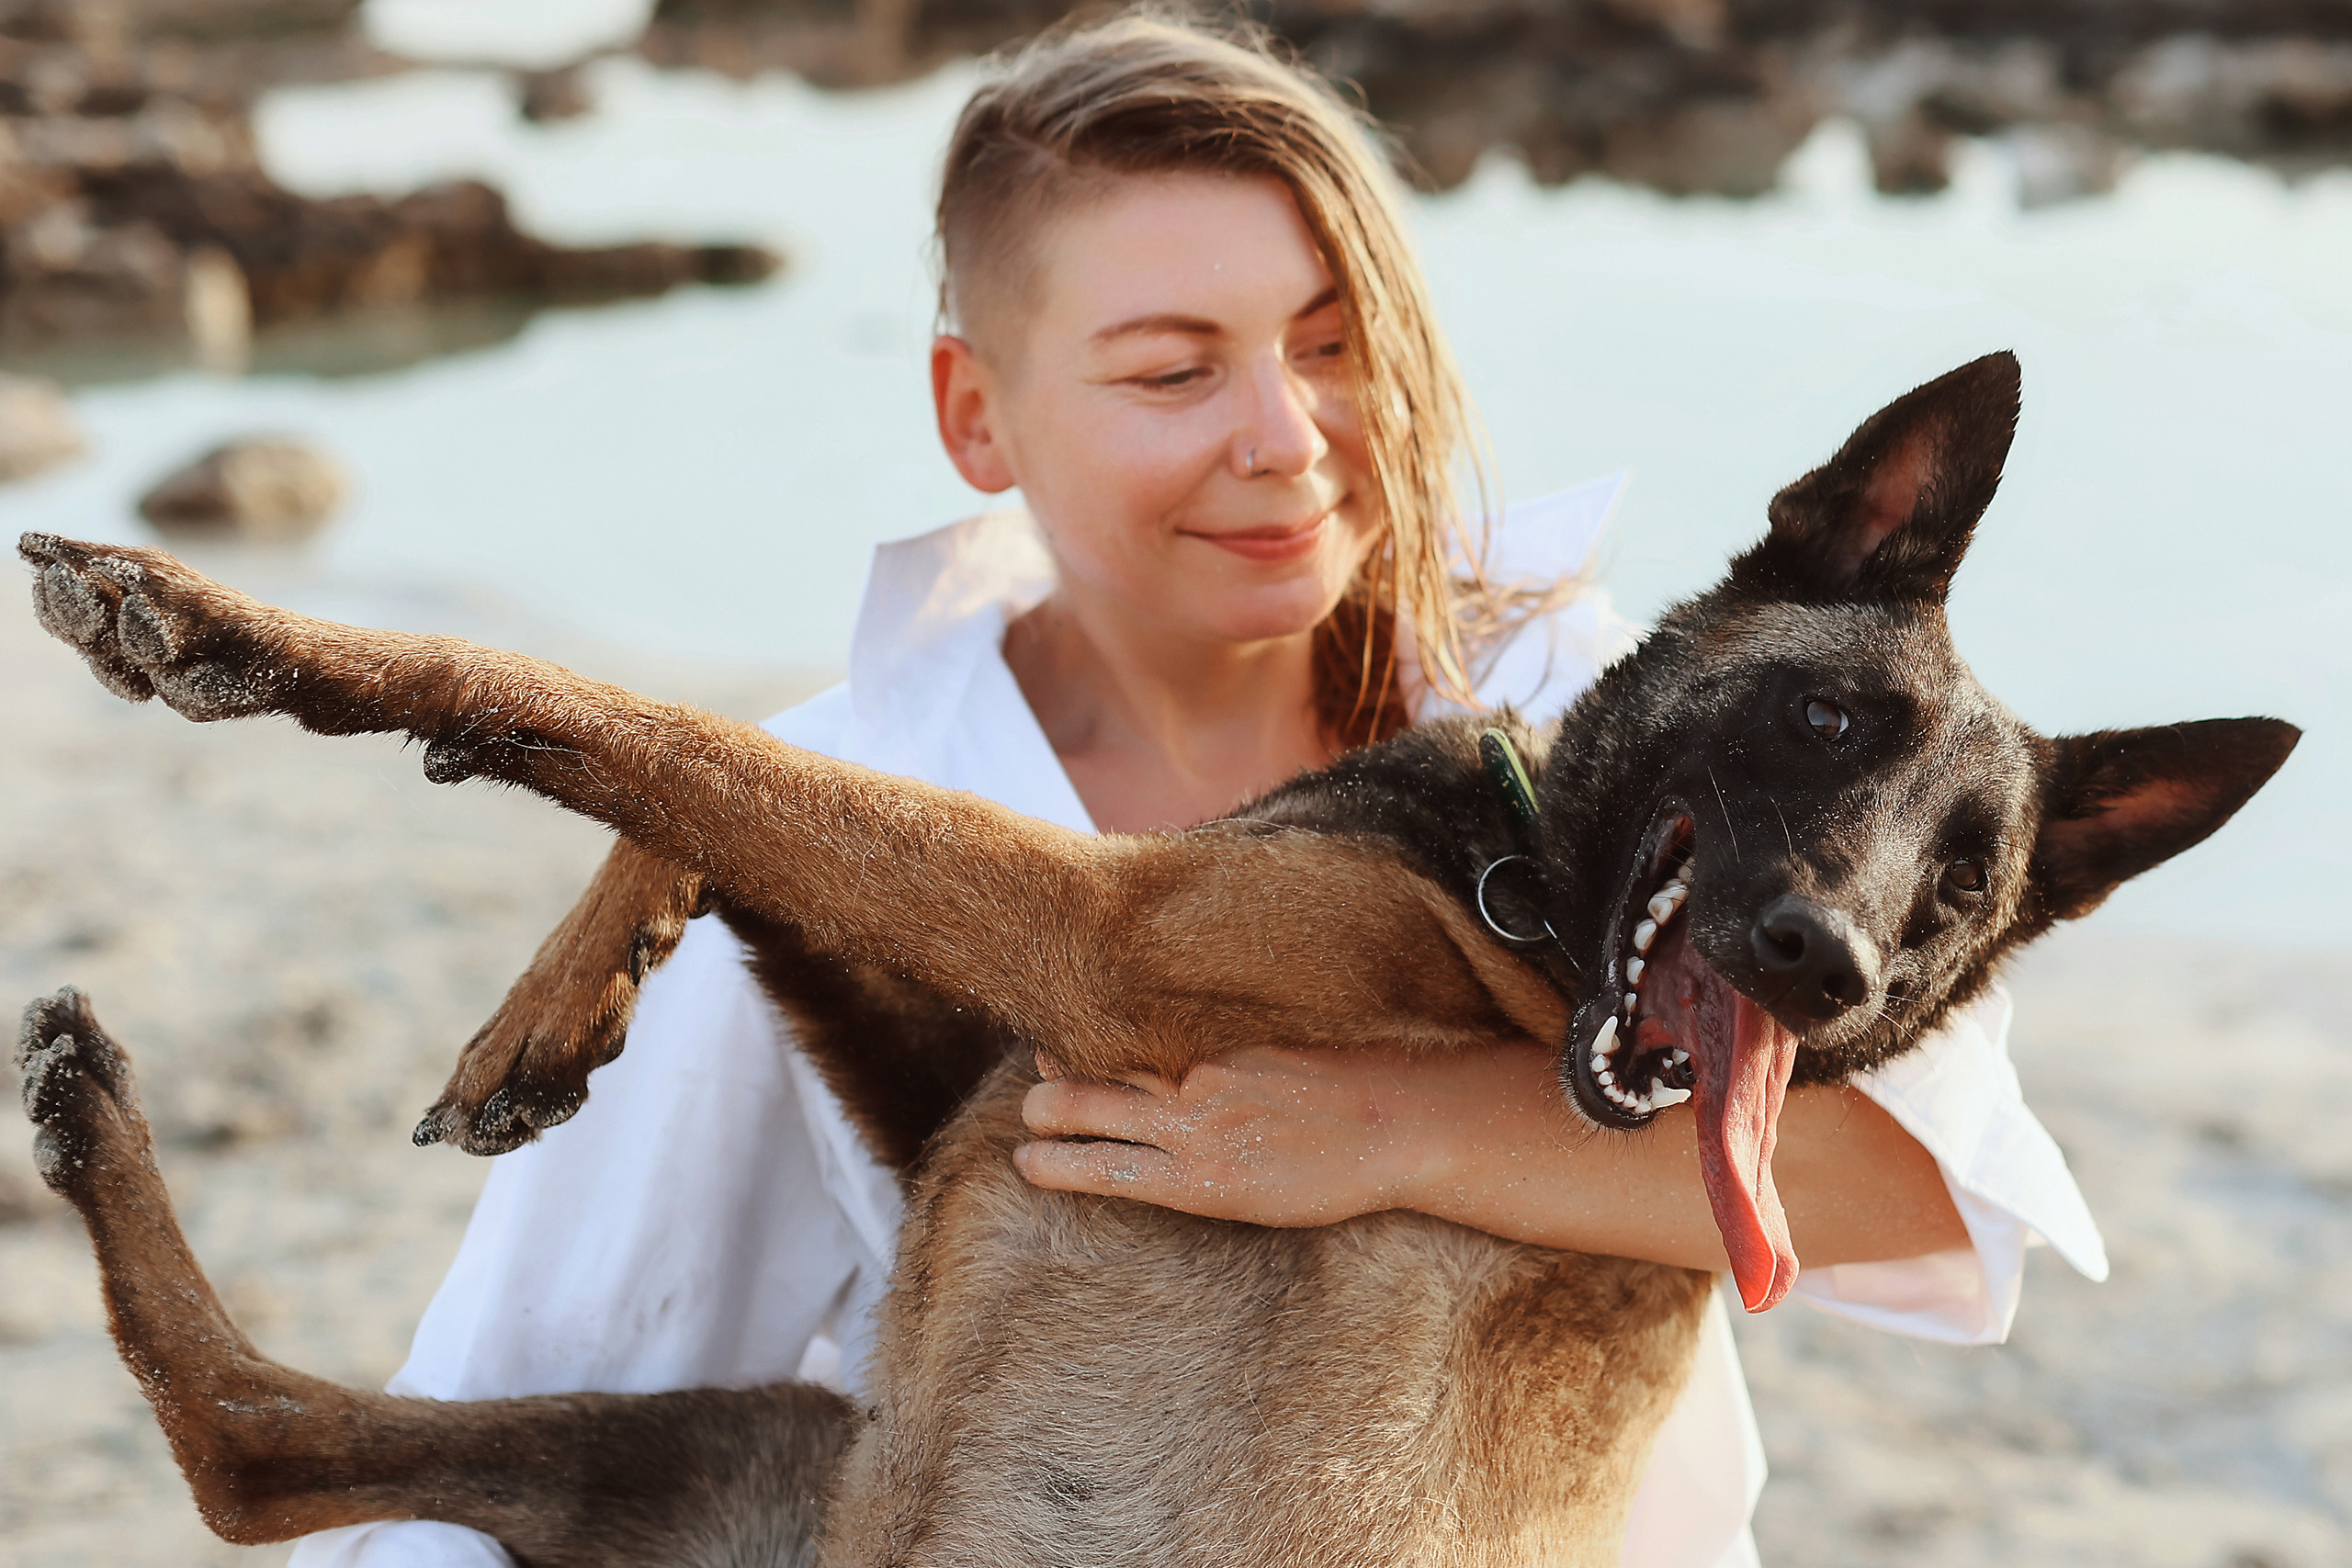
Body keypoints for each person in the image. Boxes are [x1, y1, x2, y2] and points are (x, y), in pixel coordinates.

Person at [290, 17, 2106, 1567]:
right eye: (1173, 369)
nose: (1285, 434)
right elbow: (535, 1361)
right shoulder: (843, 797)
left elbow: (1925, 1190)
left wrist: (1377, 1133)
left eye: (1331, 343)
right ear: (972, 415)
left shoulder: (1580, 703)